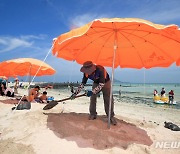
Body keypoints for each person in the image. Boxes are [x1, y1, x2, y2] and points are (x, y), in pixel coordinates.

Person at [70, 61, 117, 125]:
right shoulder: (86, 73)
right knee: (93, 98)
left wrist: (92, 92)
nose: (88, 73)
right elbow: (82, 84)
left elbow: (101, 84)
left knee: (108, 99)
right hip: (96, 83)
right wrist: (75, 93)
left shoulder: (100, 70)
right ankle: (93, 114)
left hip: (106, 83)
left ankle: (110, 116)